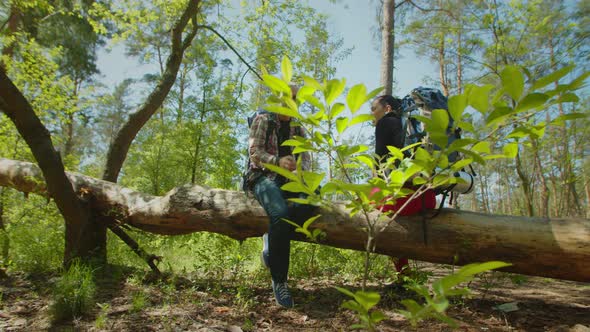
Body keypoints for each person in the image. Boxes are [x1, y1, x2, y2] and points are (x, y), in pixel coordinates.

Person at [245, 85, 314, 308]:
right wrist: (278, 162)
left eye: (295, 101)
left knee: (313, 203)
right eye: (287, 99)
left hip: (289, 180)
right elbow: (254, 154)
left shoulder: (297, 128)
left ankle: (271, 235)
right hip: (261, 177)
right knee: (281, 214)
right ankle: (280, 280)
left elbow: (306, 159)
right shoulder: (264, 119)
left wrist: (300, 173)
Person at [370, 95, 436, 284]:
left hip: (405, 198)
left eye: (373, 108)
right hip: (426, 197)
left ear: (387, 108)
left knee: (368, 210)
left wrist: (374, 190)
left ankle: (404, 276)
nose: (372, 114)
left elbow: (379, 163)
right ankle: (405, 275)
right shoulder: (411, 126)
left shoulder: (385, 123)